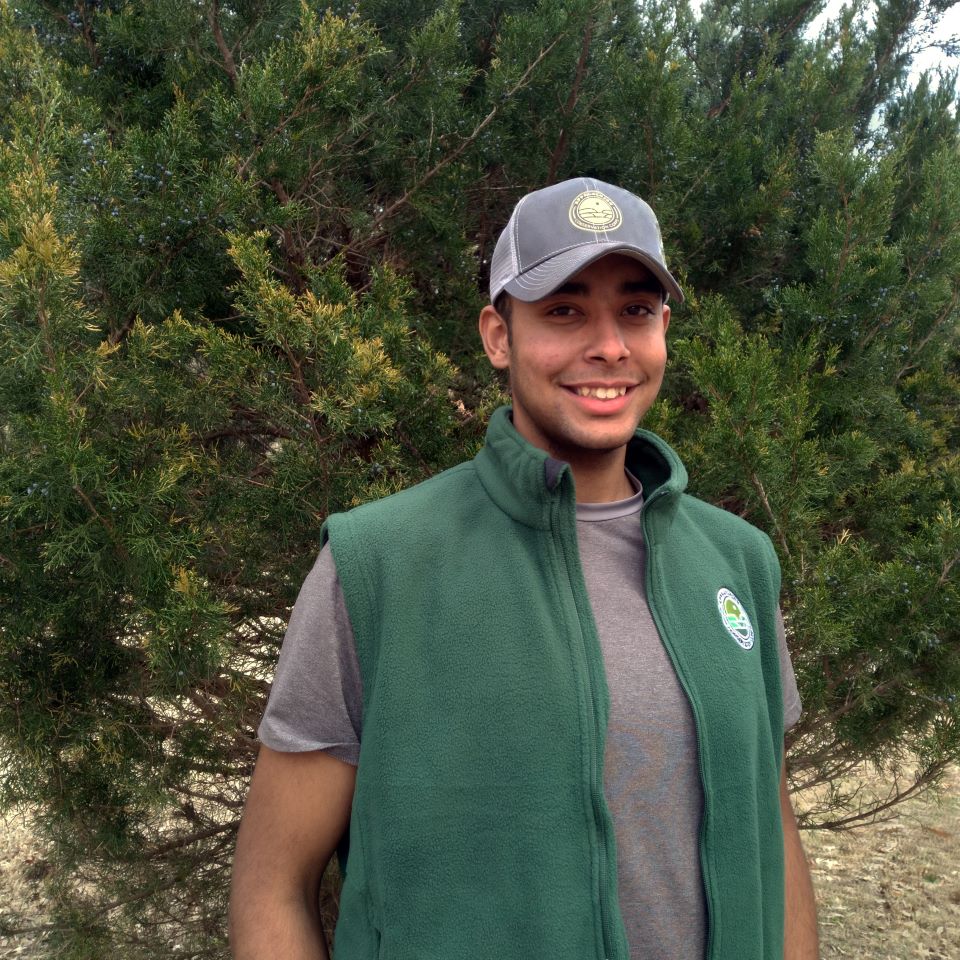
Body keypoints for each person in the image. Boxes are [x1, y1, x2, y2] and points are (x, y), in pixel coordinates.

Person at [228, 178, 819, 960]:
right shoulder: (377, 568)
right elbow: (271, 888)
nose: (608, 345)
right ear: (498, 335)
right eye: (565, 310)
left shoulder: (738, 562)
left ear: (663, 330)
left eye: (635, 311)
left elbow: (768, 830)